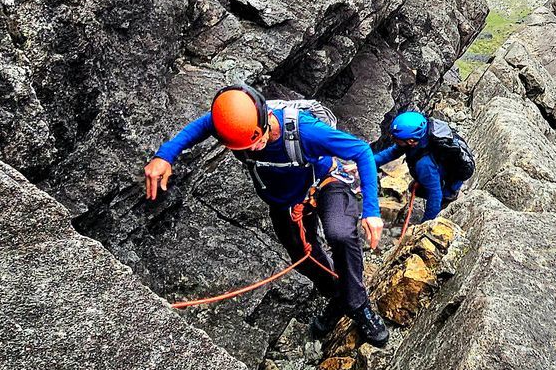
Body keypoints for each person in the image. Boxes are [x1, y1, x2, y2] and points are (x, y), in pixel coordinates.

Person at [144, 85, 390, 346]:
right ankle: (339, 296)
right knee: (303, 257)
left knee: (339, 233)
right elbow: (201, 126)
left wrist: (371, 211)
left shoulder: (303, 130)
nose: (255, 148)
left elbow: (361, 151)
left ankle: (358, 305)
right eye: (247, 146)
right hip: (285, 201)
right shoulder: (233, 125)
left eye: (258, 139)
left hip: (325, 181)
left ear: (265, 119)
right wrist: (165, 156)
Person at [374, 109, 475, 223]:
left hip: (449, 178)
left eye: (396, 138)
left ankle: (449, 197)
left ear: (411, 141)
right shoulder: (420, 136)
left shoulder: (424, 165)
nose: (393, 139)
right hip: (442, 167)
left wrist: (425, 224)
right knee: (414, 188)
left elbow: (435, 195)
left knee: (436, 197)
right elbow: (391, 153)